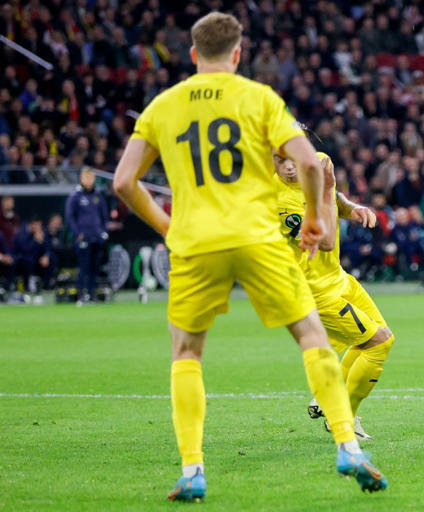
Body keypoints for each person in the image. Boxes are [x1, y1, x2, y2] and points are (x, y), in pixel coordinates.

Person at [113, 12, 386, 501]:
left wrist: (166, 226)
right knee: (311, 336)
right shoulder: (259, 99)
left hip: (196, 242)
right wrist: (319, 219)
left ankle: (193, 469)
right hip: (257, 238)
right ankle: (347, 444)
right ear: (237, 54)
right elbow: (308, 160)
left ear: (193, 54)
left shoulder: (163, 105)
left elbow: (123, 183)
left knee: (187, 354)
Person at [273, 152, 394, 441]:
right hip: (315, 290)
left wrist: (351, 207)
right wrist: (328, 187)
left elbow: (333, 197)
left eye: (293, 156)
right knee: (376, 345)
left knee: (383, 338)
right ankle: (343, 419)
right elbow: (326, 241)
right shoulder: (276, 200)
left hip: (338, 278)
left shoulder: (317, 161)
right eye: (280, 160)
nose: (290, 165)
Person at [65, 169, 109, 301]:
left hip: (97, 237)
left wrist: (103, 232)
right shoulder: (75, 196)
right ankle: (81, 294)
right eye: (86, 177)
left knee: (95, 267)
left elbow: (104, 216)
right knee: (84, 267)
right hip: (83, 237)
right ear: (81, 178)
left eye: (91, 177)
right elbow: (70, 217)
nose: (89, 180)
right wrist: (77, 233)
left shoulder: (98, 195)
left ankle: (92, 293)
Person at [12, 216, 52, 293]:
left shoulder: (42, 232)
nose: (38, 227)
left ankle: (46, 285)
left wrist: (46, 256)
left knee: (52, 258)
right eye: (36, 225)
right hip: (22, 259)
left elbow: (48, 247)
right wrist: (35, 241)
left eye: (40, 225)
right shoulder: (21, 234)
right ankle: (27, 286)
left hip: (38, 259)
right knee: (28, 260)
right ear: (31, 225)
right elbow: (25, 250)